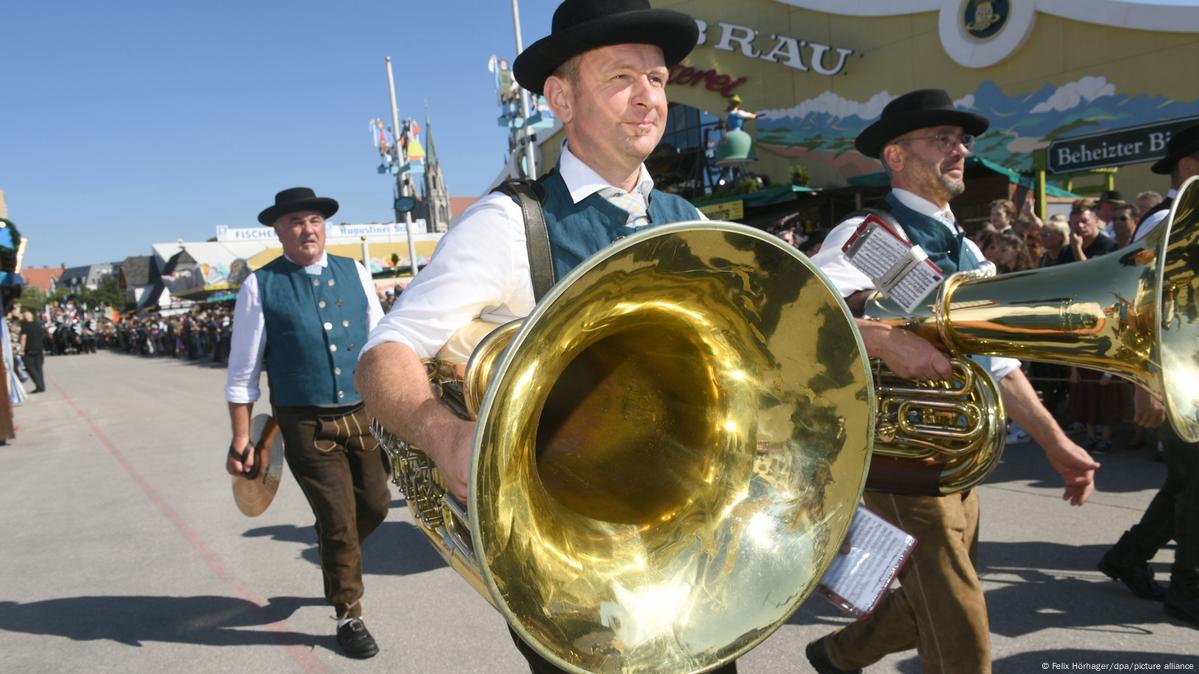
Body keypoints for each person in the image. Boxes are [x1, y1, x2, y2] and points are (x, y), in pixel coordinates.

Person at [804, 89, 1100, 674]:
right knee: (960, 621)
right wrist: (888, 339)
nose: (959, 149)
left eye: (962, 141)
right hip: (899, 465)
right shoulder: (865, 236)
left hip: (960, 461)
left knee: (930, 601)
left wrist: (1054, 441)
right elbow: (809, 318)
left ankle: (838, 654)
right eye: (941, 139)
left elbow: (1001, 366)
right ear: (894, 155)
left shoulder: (967, 250)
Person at [224, 187, 389, 659]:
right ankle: (348, 613)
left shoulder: (355, 271)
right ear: (278, 231)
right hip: (304, 424)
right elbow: (243, 372)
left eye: (314, 219)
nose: (307, 229)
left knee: (375, 506)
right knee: (338, 520)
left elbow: (381, 343)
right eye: (295, 221)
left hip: (361, 413)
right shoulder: (260, 285)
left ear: (324, 226)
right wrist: (242, 438)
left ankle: (335, 550)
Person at [1100, 121, 1199, 629]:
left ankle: (1130, 556)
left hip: (1192, 366)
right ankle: (1186, 589)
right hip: (1176, 371)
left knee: (1186, 480)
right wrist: (1149, 383)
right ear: (1189, 165)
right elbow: (1141, 302)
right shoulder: (1164, 220)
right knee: (1194, 481)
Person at [18, 311, 47, 393]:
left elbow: (23, 338)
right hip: (39, 349)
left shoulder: (25, 326)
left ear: (25, 318)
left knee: (30, 368)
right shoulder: (38, 324)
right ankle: (41, 386)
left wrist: (21, 349)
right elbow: (43, 334)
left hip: (29, 349)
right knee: (39, 368)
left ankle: (39, 385)